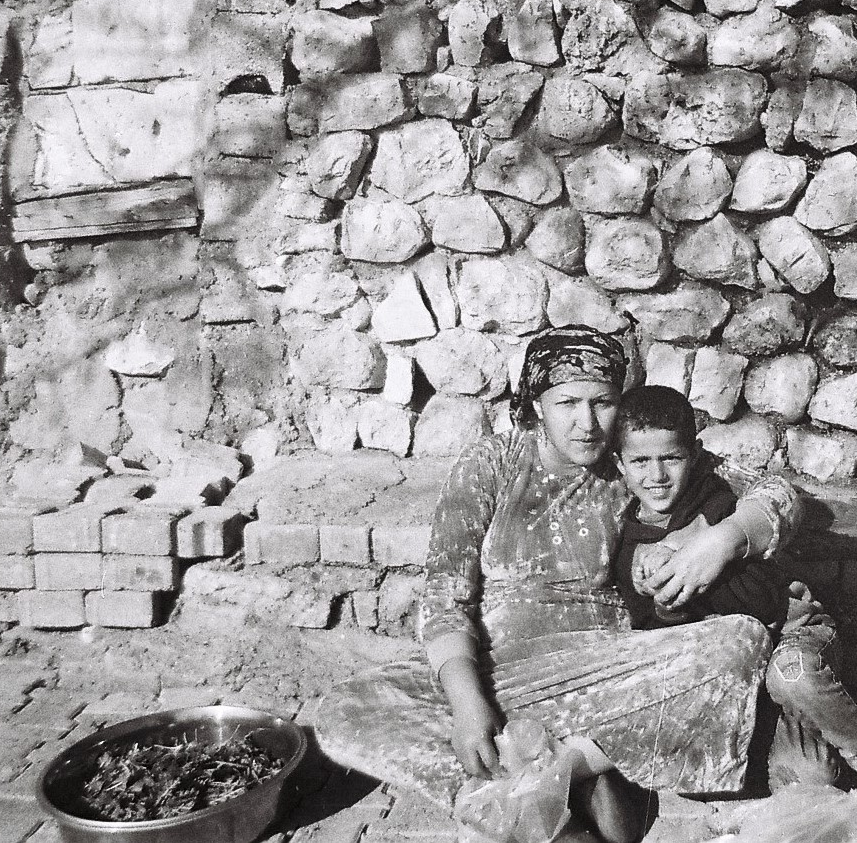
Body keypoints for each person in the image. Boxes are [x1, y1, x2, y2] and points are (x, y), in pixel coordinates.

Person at [317, 326, 803, 843]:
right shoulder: (494, 463)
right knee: (347, 708)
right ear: (536, 405)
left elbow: (780, 495)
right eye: (567, 402)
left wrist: (722, 540)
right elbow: (444, 590)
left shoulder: (632, 459)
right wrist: (467, 703)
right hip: (503, 670)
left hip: (608, 669)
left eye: (603, 402)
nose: (587, 422)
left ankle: (547, 781)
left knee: (738, 642)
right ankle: (558, 780)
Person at [610, 385, 857, 816]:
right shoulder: (631, 543)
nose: (657, 475)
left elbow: (762, 598)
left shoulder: (716, 506)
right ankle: (782, 738)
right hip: (731, 674)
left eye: (672, 458)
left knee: (792, 676)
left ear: (695, 455)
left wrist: (705, 563)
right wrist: (667, 604)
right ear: (619, 464)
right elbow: (651, 626)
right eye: (640, 461)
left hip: (787, 632)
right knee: (808, 779)